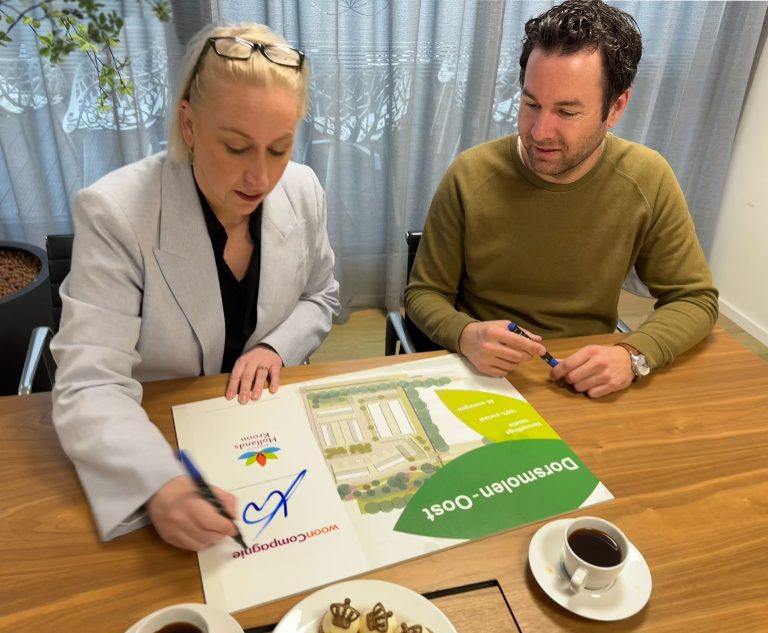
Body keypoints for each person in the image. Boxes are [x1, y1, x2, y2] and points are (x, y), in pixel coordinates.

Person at [51, 23, 340, 550]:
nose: (260, 178)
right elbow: (90, 381)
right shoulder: (117, 213)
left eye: (279, 149)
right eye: (236, 147)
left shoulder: (303, 189)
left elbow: (321, 295)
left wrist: (277, 346)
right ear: (188, 124)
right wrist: (157, 482)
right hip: (158, 433)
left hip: (267, 430)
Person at [405, 0, 718, 399]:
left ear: (616, 107)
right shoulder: (471, 174)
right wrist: (465, 333)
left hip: (586, 381)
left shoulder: (646, 177)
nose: (539, 132)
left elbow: (694, 299)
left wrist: (632, 354)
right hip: (484, 374)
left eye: (567, 112)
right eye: (531, 104)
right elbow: (424, 293)